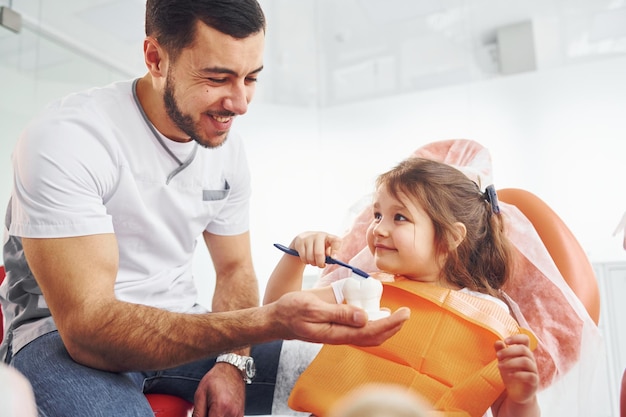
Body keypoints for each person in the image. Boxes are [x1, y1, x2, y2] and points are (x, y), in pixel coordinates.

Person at [0, 1, 410, 416]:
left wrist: (233, 360)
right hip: (62, 341)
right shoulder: (68, 139)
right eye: (218, 78)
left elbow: (234, 269)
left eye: (250, 78)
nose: (241, 102)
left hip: (182, 323)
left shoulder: (225, 148)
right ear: (156, 58)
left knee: (364, 385)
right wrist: (267, 321)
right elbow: (89, 332)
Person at [264, 157, 540, 417]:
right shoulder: (364, 289)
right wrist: (294, 257)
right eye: (377, 215)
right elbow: (276, 314)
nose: (378, 229)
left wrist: (522, 398)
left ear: (453, 236)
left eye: (399, 218)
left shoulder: (492, 320)